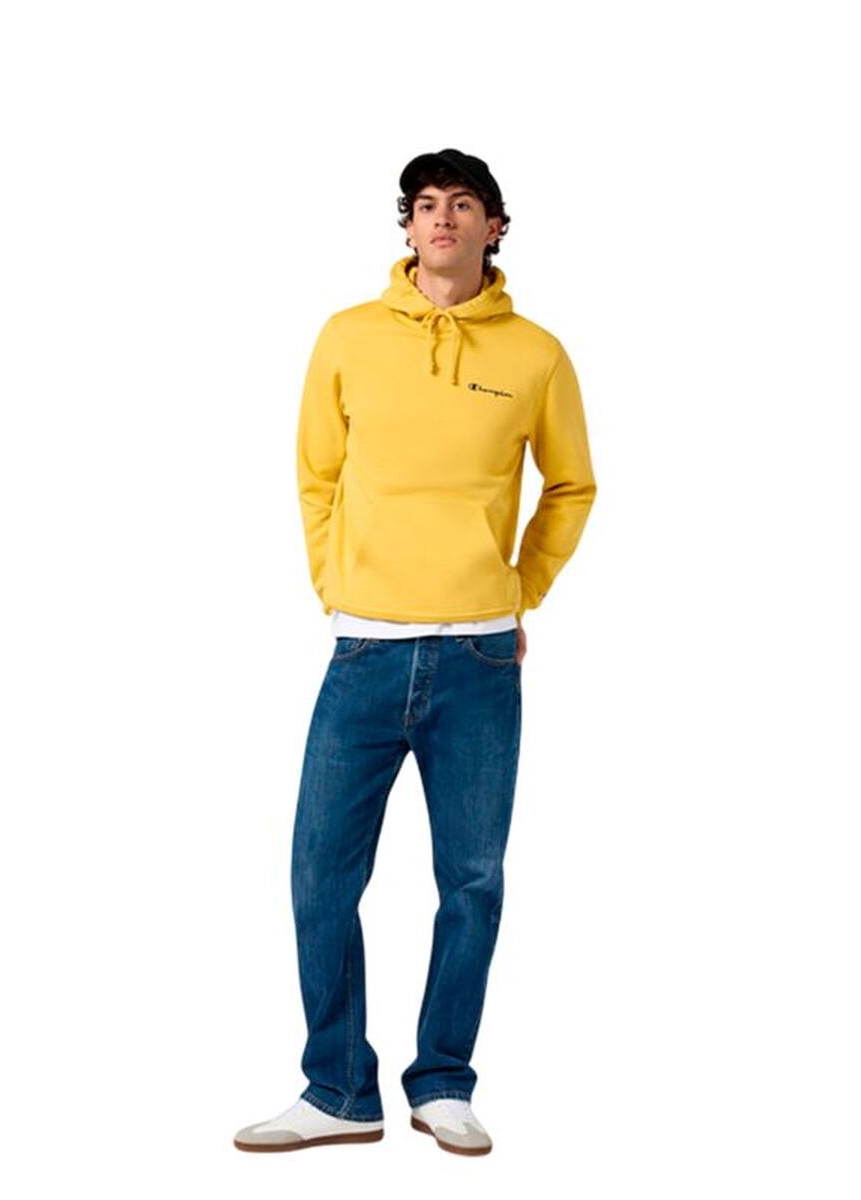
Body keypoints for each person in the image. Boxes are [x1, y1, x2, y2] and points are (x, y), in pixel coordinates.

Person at [233, 149, 597, 1156]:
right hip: (364, 651)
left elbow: (573, 485)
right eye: (425, 204)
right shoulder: (348, 337)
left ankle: (443, 1082)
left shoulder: (537, 355)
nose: (442, 218)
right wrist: (336, 584)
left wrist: (518, 589)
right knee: (319, 876)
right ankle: (339, 1088)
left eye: (463, 204)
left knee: (471, 881)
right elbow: (316, 474)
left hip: (480, 660)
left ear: (494, 227)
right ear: (406, 227)